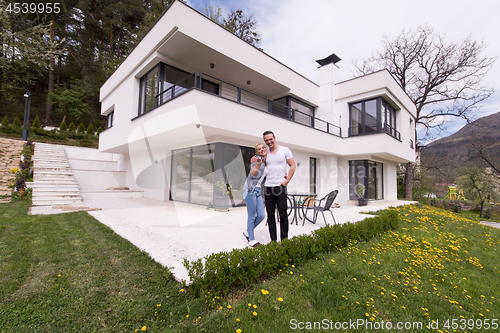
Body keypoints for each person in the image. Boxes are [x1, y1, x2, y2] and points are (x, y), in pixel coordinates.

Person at [261, 130, 296, 242]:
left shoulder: (285, 150)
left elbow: (293, 166)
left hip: (280, 186)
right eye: (266, 140)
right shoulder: (265, 153)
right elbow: (262, 167)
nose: (269, 142)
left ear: (274, 138)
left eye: (270, 139)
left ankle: (284, 241)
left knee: (283, 215)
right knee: (270, 216)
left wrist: (286, 181)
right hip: (268, 187)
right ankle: (273, 241)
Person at [242, 143, 267, 247]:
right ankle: (251, 240)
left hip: (258, 191)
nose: (261, 150)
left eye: (263, 148)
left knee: (261, 215)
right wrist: (258, 164)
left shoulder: (267, 162)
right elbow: (252, 173)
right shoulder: (256, 159)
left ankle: (248, 232)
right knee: (252, 215)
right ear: (257, 152)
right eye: (259, 149)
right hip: (250, 189)